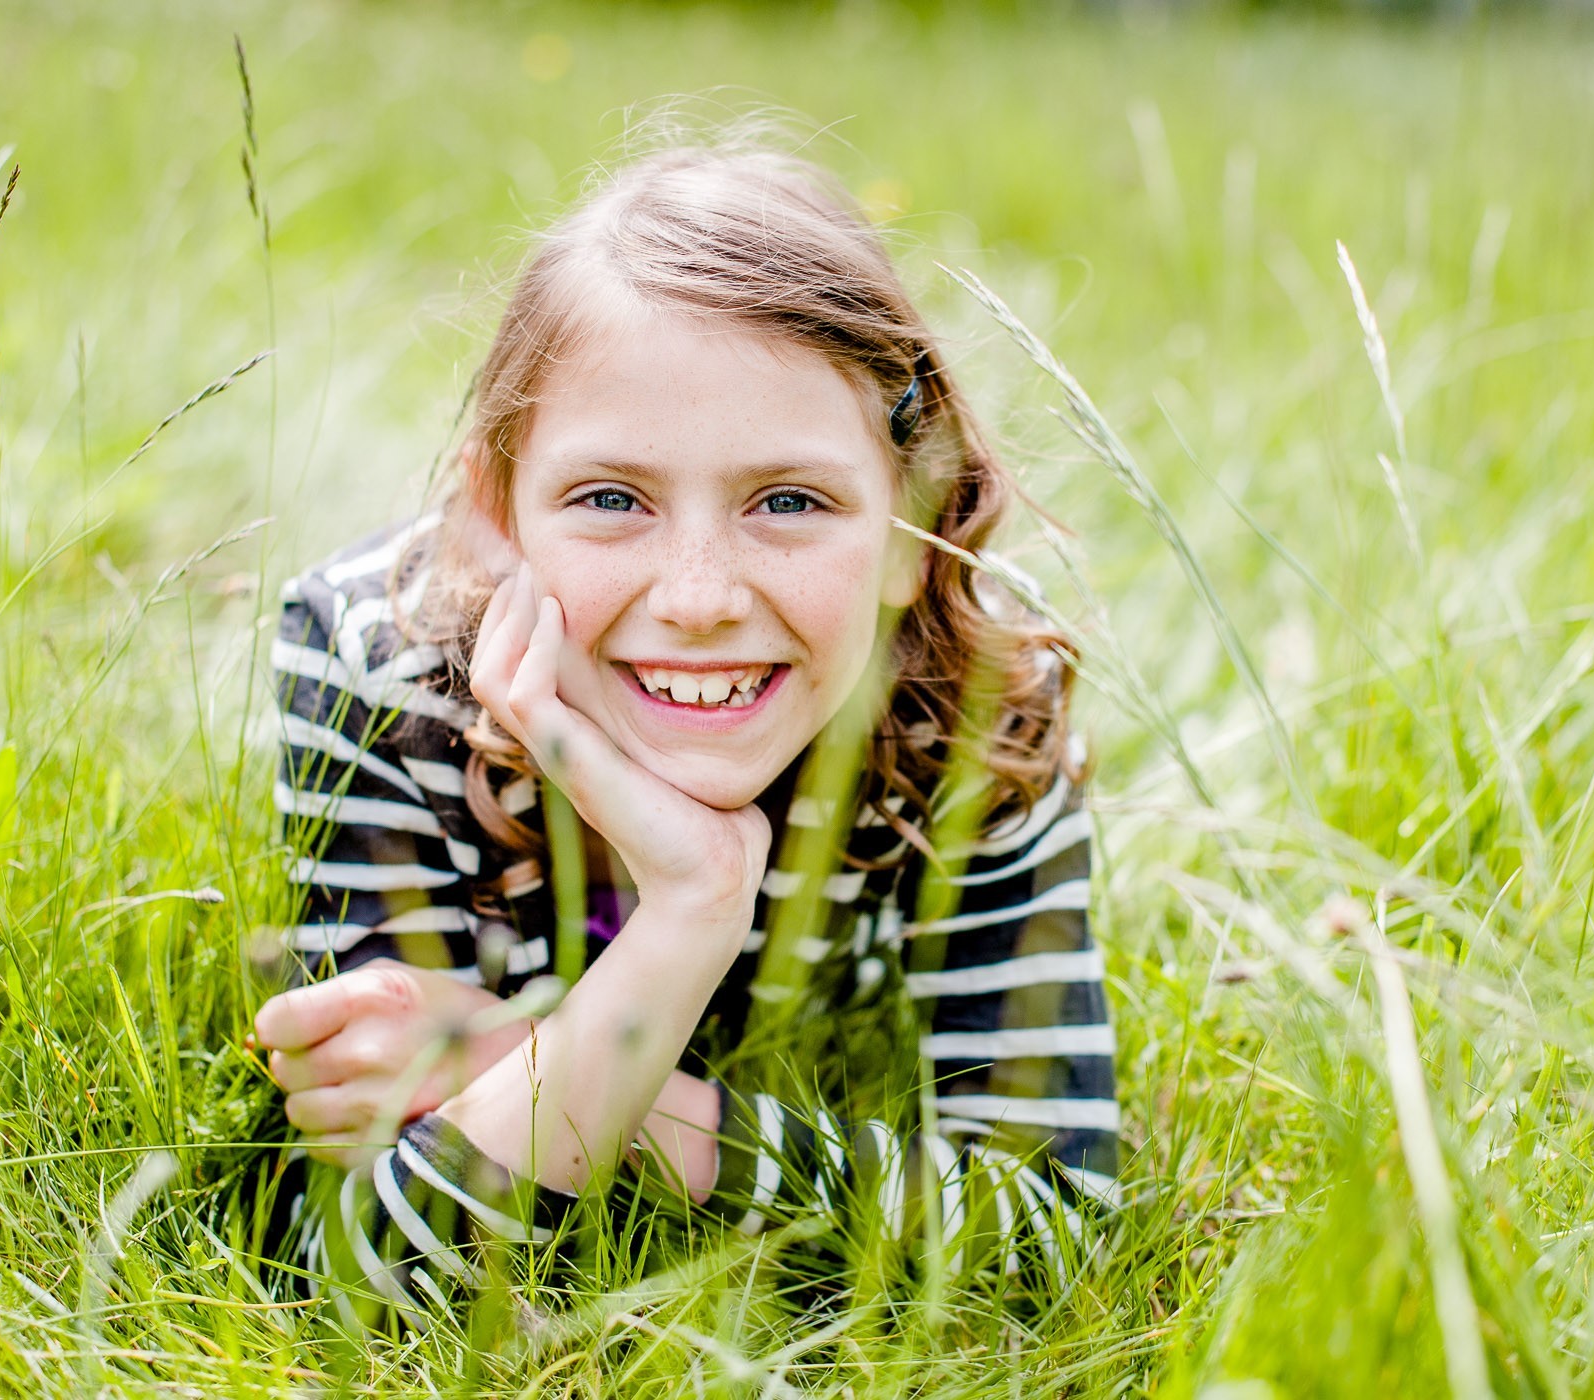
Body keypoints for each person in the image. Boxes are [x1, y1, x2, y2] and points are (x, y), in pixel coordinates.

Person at [252, 138, 1119, 1329]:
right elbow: (360, 1279)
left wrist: (566, 1076)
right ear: (495, 523)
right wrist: (694, 905)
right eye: (611, 499)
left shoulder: (977, 707)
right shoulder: (379, 667)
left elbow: (1053, 1234)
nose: (700, 596)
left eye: (790, 501)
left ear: (911, 533)